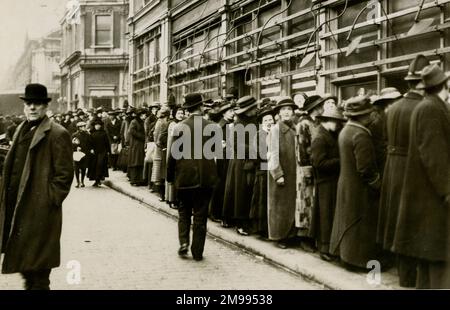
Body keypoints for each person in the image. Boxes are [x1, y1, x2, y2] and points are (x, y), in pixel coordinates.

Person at [0, 83, 74, 290]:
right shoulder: (20, 130)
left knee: (38, 273)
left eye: (38, 104)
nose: (32, 108)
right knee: (27, 269)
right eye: (29, 103)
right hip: (19, 210)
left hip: (40, 215)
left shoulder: (57, 133)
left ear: (45, 107)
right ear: (24, 106)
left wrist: (49, 201)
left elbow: (64, 175)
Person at [393, 64, 450, 289]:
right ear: (444, 86)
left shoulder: (428, 106)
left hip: (426, 196)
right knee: (437, 258)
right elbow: (434, 155)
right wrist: (447, 190)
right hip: (432, 198)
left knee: (430, 260)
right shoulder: (432, 109)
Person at [377, 54, 430, 287]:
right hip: (411, 168)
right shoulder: (424, 108)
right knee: (412, 220)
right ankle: (414, 276)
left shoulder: (393, 108)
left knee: (395, 219)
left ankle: (403, 274)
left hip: (392, 167)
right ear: (420, 83)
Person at [330, 95, 381, 270]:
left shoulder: (346, 130)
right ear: (362, 116)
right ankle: (358, 261)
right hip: (359, 187)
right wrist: (377, 183)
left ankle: (346, 256)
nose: (371, 116)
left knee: (347, 220)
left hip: (346, 183)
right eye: (368, 113)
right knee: (359, 222)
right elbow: (365, 168)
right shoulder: (361, 134)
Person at [166, 93, 219, 261]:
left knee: (183, 213)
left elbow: (173, 155)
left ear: (188, 109)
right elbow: (217, 154)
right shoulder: (212, 127)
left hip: (184, 177)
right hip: (205, 179)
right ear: (201, 108)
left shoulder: (179, 127)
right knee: (200, 216)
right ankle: (197, 251)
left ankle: (183, 243)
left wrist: (169, 176)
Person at [311, 107, 346, 261]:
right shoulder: (320, 137)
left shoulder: (330, 134)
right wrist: (340, 161)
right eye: (336, 122)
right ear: (327, 121)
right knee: (325, 216)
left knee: (330, 215)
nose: (338, 125)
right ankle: (324, 248)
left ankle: (329, 247)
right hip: (325, 182)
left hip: (332, 180)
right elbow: (319, 163)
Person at [268, 97, 298, 248]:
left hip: (293, 171)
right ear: (279, 113)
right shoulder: (275, 129)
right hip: (281, 172)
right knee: (279, 205)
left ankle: (290, 234)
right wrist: (278, 174)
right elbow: (272, 153)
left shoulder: (294, 128)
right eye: (283, 110)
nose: (287, 112)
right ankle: (279, 236)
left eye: (289, 109)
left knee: (290, 204)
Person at [88, 119, 110, 187]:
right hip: (94, 152)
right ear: (94, 126)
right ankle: (96, 180)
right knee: (94, 165)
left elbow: (107, 143)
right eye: (96, 125)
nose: (97, 126)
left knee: (100, 164)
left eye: (98, 125)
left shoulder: (104, 133)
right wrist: (91, 149)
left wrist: (108, 151)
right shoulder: (91, 133)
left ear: (100, 126)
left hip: (102, 151)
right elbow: (89, 143)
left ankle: (99, 178)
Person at [72, 121, 92, 188]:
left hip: (85, 153)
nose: (84, 127)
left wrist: (90, 150)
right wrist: (76, 147)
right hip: (77, 154)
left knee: (83, 168)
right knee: (76, 168)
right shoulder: (75, 135)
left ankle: (82, 181)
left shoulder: (88, 134)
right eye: (82, 126)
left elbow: (90, 144)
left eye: (84, 126)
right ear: (79, 128)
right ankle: (78, 182)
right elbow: (72, 144)